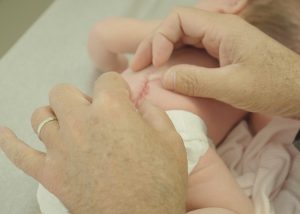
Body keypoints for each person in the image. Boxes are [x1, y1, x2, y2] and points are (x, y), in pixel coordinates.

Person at [1, 4, 300, 214]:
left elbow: (102, 34)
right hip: (179, 140)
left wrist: (116, 67)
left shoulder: (176, 33)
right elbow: (267, 129)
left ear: (232, 4)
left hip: (105, 121)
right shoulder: (262, 93)